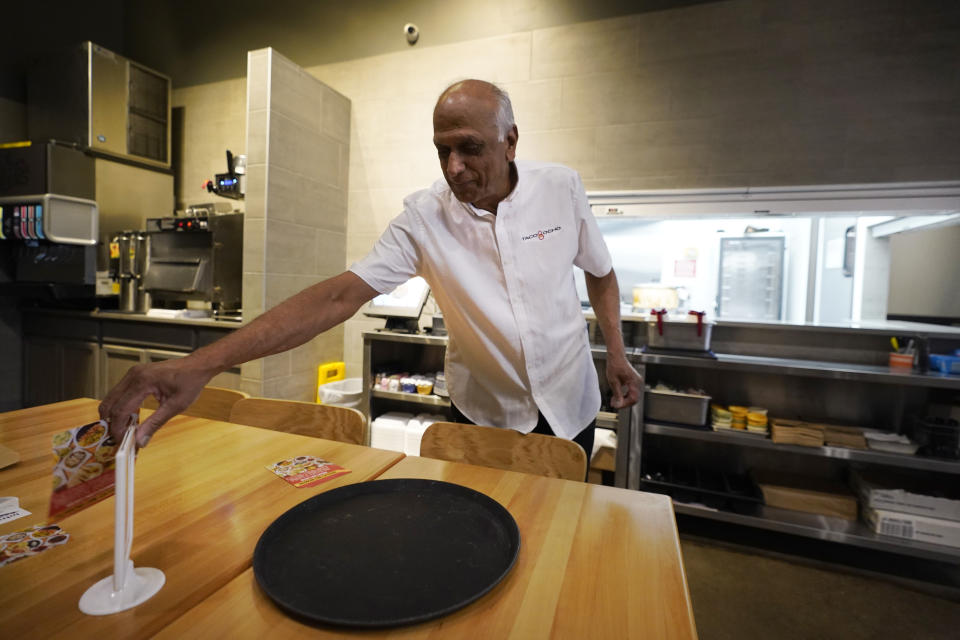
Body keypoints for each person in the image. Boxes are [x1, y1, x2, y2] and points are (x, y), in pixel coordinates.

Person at [99, 79, 642, 461]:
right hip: (484, 410)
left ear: (511, 140)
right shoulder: (423, 218)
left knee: (558, 528)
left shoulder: (560, 188)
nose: (454, 167)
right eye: (442, 150)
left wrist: (614, 353)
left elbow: (601, 272)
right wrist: (206, 363)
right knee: (481, 528)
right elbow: (338, 297)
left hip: (572, 403)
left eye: (470, 148)